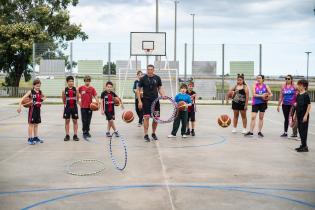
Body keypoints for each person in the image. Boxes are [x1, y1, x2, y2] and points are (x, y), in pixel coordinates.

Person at [137, 64, 165, 142]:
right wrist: (139, 101)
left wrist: (163, 95)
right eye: (148, 69)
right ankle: (146, 134)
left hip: (155, 101)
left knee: (156, 118)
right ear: (147, 70)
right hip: (146, 101)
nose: (149, 71)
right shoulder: (143, 79)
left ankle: (153, 133)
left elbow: (159, 88)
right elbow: (138, 90)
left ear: (153, 70)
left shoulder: (157, 78)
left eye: (151, 69)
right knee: (146, 117)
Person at [17, 79, 46, 145]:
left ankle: (35, 137)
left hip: (38, 109)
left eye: (39, 86)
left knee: (36, 124)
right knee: (31, 124)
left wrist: (41, 100)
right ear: (33, 85)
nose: (38, 87)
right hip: (32, 110)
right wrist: (19, 106)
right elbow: (22, 99)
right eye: (37, 86)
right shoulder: (31, 92)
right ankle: (30, 139)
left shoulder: (40, 92)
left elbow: (45, 97)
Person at [294, 79, 311, 152]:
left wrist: (306, 115)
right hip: (298, 114)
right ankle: (302, 144)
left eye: (300, 85)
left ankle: (305, 147)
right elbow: (297, 105)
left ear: (304, 86)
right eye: (298, 85)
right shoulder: (298, 94)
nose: (298, 86)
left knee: (303, 130)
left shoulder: (306, 95)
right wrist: (295, 115)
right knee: (300, 130)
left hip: (304, 115)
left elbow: (309, 105)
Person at [62, 76, 79, 141]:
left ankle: (75, 135)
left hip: (74, 107)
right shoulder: (64, 90)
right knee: (67, 121)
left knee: (75, 121)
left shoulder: (76, 89)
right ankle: (67, 135)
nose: (71, 82)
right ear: (67, 82)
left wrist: (76, 103)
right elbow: (63, 99)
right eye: (70, 81)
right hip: (67, 107)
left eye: (72, 81)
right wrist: (65, 105)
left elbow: (77, 98)